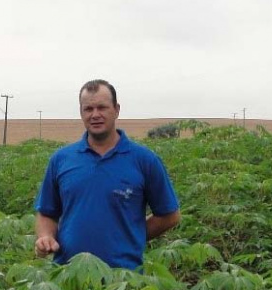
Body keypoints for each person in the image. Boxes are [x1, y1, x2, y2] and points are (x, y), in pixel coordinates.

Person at [34, 79, 180, 270]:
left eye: (102, 107)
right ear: (81, 112)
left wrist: (133, 236)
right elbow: (46, 212)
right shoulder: (61, 159)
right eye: (88, 109)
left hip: (123, 278)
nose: (95, 115)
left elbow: (170, 215)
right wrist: (46, 236)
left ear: (116, 110)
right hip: (67, 274)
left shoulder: (144, 160)